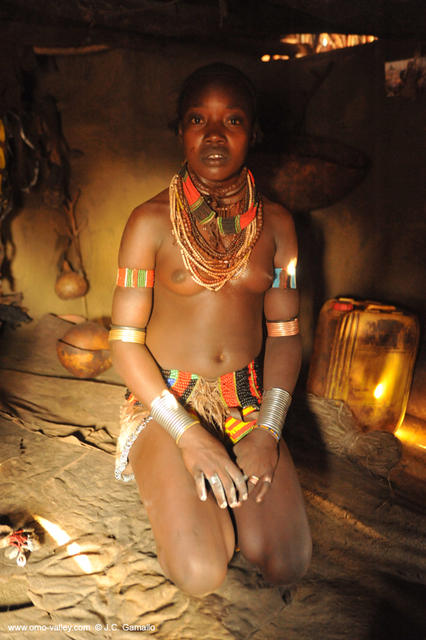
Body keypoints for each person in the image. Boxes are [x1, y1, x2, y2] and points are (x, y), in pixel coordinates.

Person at [110, 63, 312, 598]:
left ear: (254, 132)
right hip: (168, 402)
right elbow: (123, 341)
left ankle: (220, 492)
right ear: (181, 130)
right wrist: (190, 437)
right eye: (199, 119)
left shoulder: (280, 227)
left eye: (234, 120)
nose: (215, 135)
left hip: (246, 400)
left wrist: (268, 430)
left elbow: (285, 335)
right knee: (203, 570)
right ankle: (170, 476)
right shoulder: (149, 222)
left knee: (287, 560)